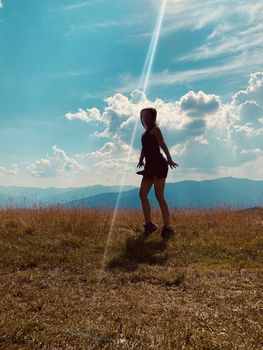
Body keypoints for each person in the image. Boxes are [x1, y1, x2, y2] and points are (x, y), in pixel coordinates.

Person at [136, 107, 179, 240]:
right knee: (142, 195)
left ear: (153, 117)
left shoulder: (155, 129)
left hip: (159, 165)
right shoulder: (144, 133)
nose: (145, 118)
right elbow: (144, 147)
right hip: (149, 166)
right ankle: (149, 225)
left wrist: (169, 159)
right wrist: (141, 159)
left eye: (148, 116)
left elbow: (162, 144)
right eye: (143, 116)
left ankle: (167, 228)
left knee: (159, 196)